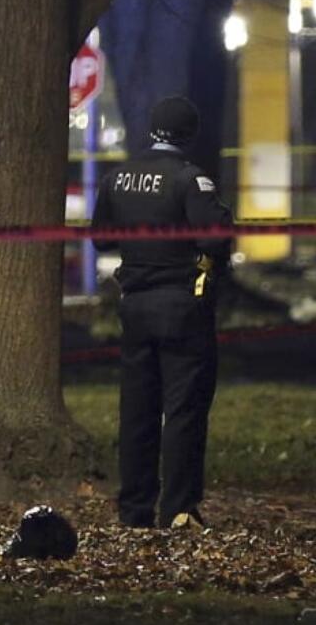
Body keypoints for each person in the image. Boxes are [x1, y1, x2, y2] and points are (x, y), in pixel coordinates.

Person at [92, 96, 234, 529]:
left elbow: (100, 238)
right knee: (184, 410)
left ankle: (134, 509)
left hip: (134, 306)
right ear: (189, 135)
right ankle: (178, 509)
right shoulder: (191, 181)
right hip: (182, 308)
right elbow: (214, 239)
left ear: (153, 130)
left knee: (137, 411)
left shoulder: (118, 178)